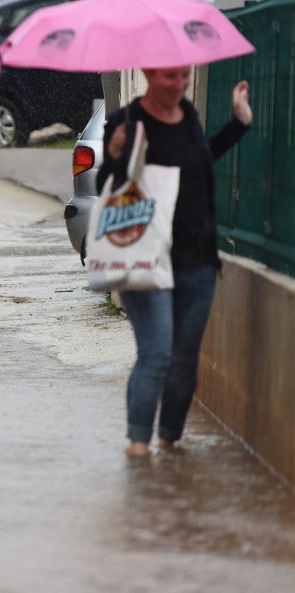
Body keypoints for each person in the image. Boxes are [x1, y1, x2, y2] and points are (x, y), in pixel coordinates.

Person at [97, 67, 253, 457]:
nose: (180, 83)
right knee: (157, 353)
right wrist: (115, 156)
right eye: (170, 76)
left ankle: (169, 442)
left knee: (184, 359)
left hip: (197, 260)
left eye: (184, 75)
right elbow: (106, 192)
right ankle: (137, 448)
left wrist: (238, 123)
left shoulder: (189, 116)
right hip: (145, 258)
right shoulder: (127, 122)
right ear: (149, 73)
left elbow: (201, 160)